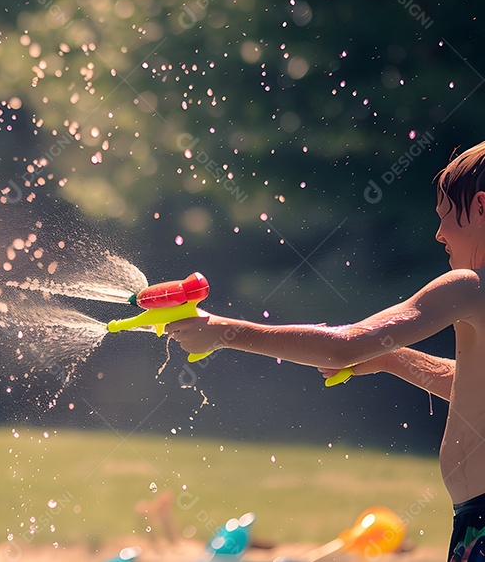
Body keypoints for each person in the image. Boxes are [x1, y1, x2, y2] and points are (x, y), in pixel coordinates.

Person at [167, 140, 485, 561]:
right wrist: (393, 358)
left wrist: (223, 331)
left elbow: (344, 345)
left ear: (481, 207)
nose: (439, 233)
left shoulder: (468, 286)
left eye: (445, 215)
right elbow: (474, 394)